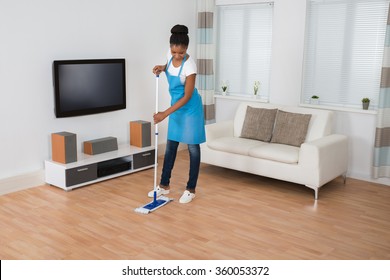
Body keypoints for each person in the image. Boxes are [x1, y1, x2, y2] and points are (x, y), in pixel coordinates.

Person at [149, 24, 206, 204]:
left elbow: (187, 96)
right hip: (176, 106)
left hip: (190, 109)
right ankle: (164, 185)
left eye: (180, 53)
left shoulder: (190, 66)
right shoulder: (170, 55)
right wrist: (162, 67)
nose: (177, 56)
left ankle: (191, 189)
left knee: (192, 148)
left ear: (186, 49)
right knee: (171, 146)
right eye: (174, 52)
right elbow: (170, 67)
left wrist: (164, 114)